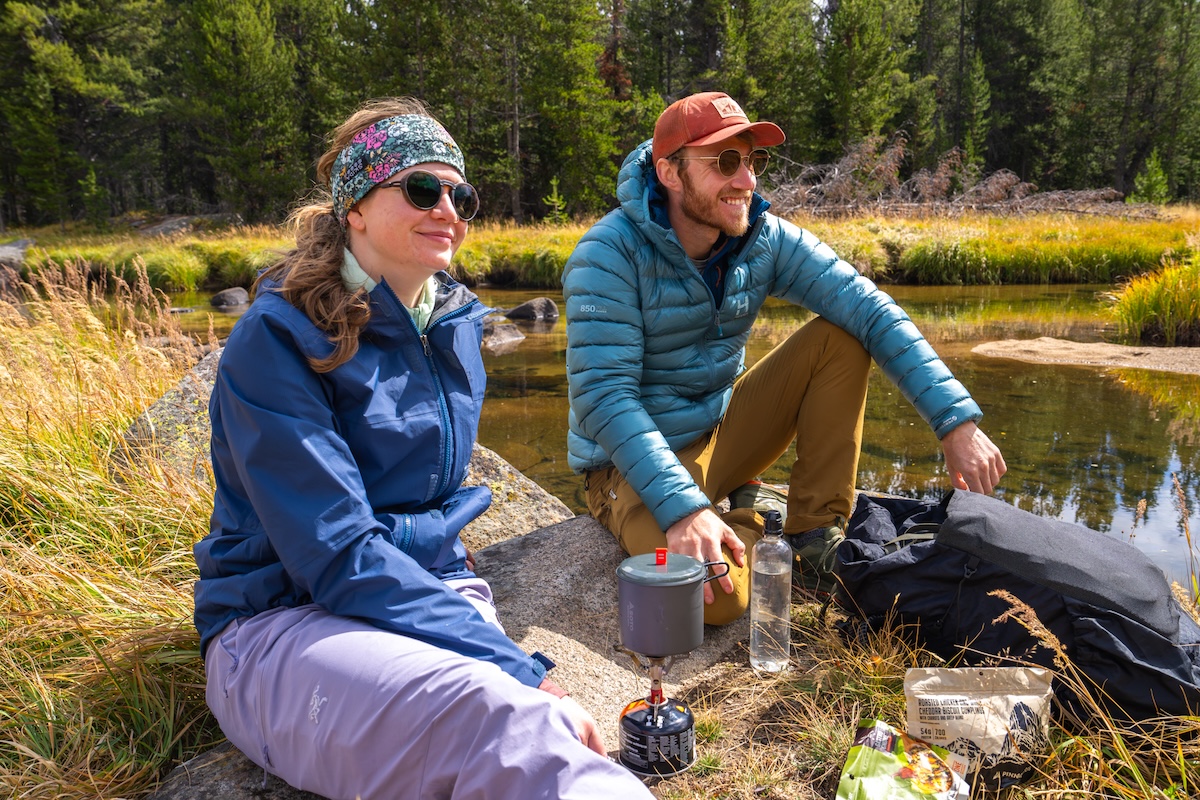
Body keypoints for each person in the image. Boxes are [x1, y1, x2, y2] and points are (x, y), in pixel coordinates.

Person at [193, 97, 654, 800]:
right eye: (420, 188)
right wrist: (516, 665)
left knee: (529, 732)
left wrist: (473, 622)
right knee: (509, 724)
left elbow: (430, 504)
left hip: (424, 594)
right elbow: (340, 555)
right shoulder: (276, 340)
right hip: (278, 625)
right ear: (354, 205)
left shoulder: (455, 322)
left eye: (460, 194)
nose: (449, 209)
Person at [563, 91, 1007, 626]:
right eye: (725, 161)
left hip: (720, 429)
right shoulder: (606, 255)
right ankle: (753, 517)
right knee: (716, 601)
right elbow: (603, 397)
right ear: (670, 173)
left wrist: (955, 421)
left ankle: (813, 534)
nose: (747, 180)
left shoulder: (761, 238)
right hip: (624, 465)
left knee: (842, 336)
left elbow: (869, 308)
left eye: (753, 161)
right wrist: (684, 508)